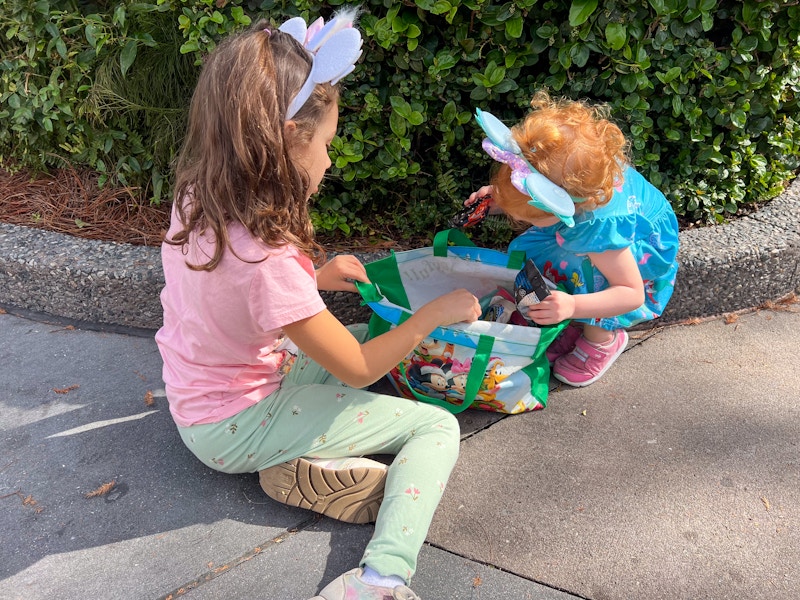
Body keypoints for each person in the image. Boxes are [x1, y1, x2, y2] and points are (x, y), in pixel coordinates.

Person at [154, 10, 481, 600]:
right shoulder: (270, 262)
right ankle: (382, 578)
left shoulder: (198, 192)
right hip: (236, 420)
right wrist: (433, 315)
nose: (330, 160)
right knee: (434, 427)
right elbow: (354, 370)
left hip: (202, 391)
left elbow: (235, 292)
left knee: (357, 334)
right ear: (287, 141)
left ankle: (304, 461)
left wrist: (315, 279)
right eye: (327, 144)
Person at [466, 91, 679, 387]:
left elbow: (630, 293)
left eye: (529, 215)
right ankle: (573, 317)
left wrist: (574, 306)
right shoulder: (572, 173)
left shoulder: (599, 229)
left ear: (559, 201)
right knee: (557, 257)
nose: (519, 220)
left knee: (587, 272)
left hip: (635, 252)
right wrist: (501, 197)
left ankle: (601, 337)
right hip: (592, 236)